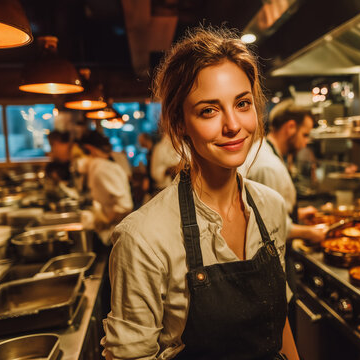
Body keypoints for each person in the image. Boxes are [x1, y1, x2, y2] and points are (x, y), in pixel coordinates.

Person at [102, 26, 299, 360]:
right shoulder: (144, 239)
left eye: (243, 103)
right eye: (209, 110)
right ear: (180, 124)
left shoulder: (271, 207)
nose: (233, 125)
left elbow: (277, 324)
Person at [240, 98, 328, 243]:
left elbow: (267, 210)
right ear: (291, 127)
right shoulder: (269, 167)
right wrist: (311, 232)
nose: (306, 142)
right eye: (305, 135)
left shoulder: (264, 149)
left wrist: (297, 214)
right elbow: (272, 226)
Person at [76, 131, 133, 245]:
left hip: (113, 236)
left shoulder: (103, 168)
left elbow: (125, 206)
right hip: (108, 235)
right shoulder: (97, 167)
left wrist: (105, 221)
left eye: (78, 155)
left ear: (90, 149)